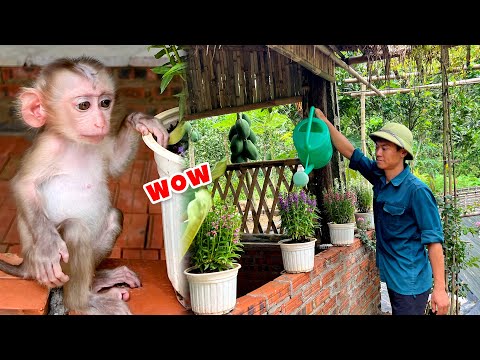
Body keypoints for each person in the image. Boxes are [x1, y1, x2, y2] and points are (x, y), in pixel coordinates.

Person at [314, 107, 450, 315]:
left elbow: (434, 241)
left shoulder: (417, 192)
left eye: (385, 148)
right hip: (394, 276)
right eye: (377, 147)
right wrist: (324, 122)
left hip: (410, 282)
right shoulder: (379, 177)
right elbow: (351, 152)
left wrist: (440, 289)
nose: (377, 152)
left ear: (403, 152)